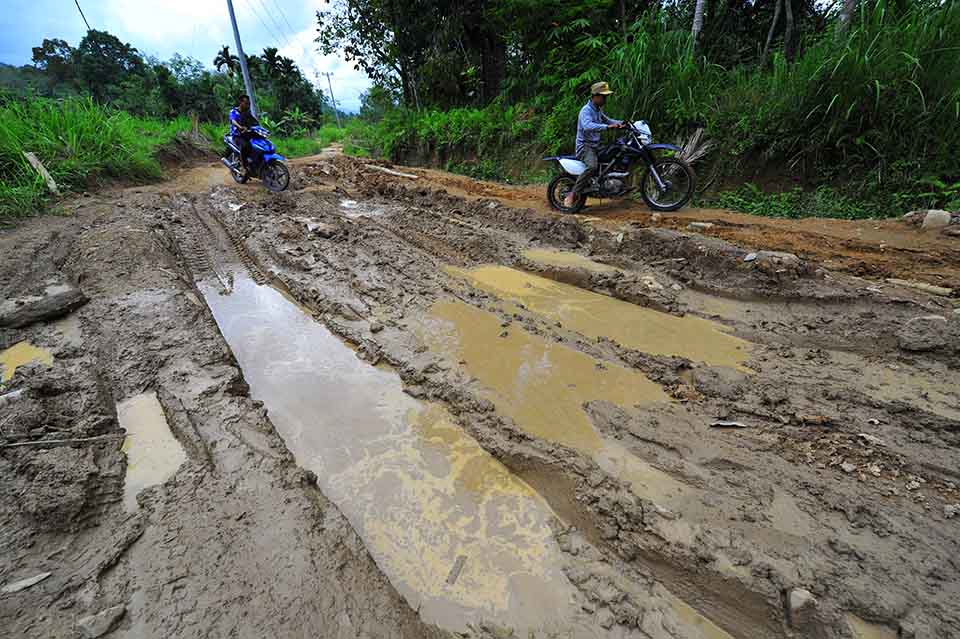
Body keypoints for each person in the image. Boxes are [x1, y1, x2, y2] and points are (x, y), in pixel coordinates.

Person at [563, 81, 625, 209]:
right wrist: (607, 127)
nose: (605, 99)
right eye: (603, 96)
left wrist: (624, 123)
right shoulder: (586, 111)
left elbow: (609, 120)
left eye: (606, 96)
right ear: (595, 96)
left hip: (596, 145)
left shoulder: (597, 110)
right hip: (585, 147)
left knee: (615, 152)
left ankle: (606, 183)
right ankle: (572, 194)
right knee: (592, 166)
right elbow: (587, 126)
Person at [229, 95, 259, 175]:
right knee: (245, 146)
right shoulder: (233, 111)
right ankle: (244, 167)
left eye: (248, 103)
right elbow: (233, 121)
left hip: (247, 134)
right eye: (246, 103)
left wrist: (259, 128)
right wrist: (240, 127)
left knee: (258, 144)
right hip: (237, 135)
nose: (247, 105)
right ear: (241, 102)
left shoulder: (247, 112)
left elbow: (254, 121)